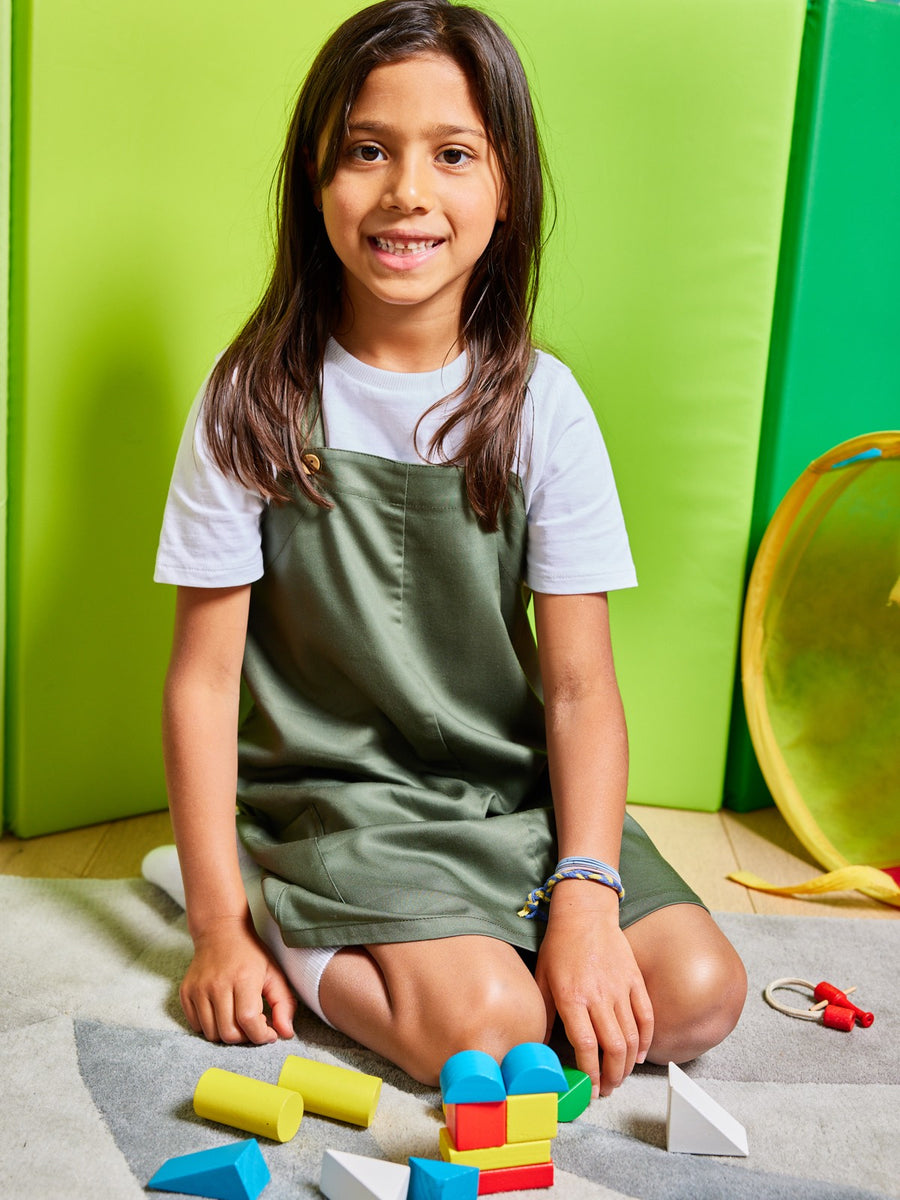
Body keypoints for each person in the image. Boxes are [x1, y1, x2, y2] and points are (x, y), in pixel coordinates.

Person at [149, 0, 747, 1101]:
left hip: (502, 796)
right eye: (366, 151)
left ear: (505, 186)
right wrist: (217, 926)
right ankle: (290, 919)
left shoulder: (544, 409)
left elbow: (576, 688)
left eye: (453, 154)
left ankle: (471, 939)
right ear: (315, 182)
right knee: (492, 1032)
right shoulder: (253, 401)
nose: (406, 192)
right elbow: (203, 681)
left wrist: (583, 893)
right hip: (340, 799)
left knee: (702, 995)